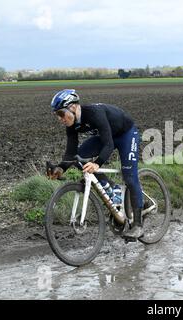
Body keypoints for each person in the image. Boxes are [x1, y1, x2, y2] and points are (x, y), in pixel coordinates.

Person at [46, 89, 144, 239]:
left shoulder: (94, 113)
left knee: (129, 177)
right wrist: (60, 168)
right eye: (57, 115)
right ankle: (112, 188)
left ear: (72, 107)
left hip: (126, 135)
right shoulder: (71, 125)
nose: (60, 119)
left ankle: (138, 225)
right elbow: (71, 153)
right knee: (79, 159)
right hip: (107, 137)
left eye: (60, 113)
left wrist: (97, 164)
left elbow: (109, 145)